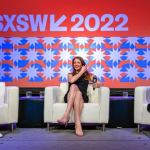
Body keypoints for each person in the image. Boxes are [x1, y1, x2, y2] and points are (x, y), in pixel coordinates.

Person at [57, 56, 103, 136]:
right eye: (74, 63)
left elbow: (100, 83)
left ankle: (66, 116)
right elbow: (72, 81)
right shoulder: (70, 74)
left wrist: (96, 84)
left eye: (78, 62)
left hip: (82, 96)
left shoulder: (89, 75)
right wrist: (81, 72)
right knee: (73, 86)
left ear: (82, 64)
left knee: (78, 93)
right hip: (70, 96)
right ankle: (78, 125)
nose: (76, 64)